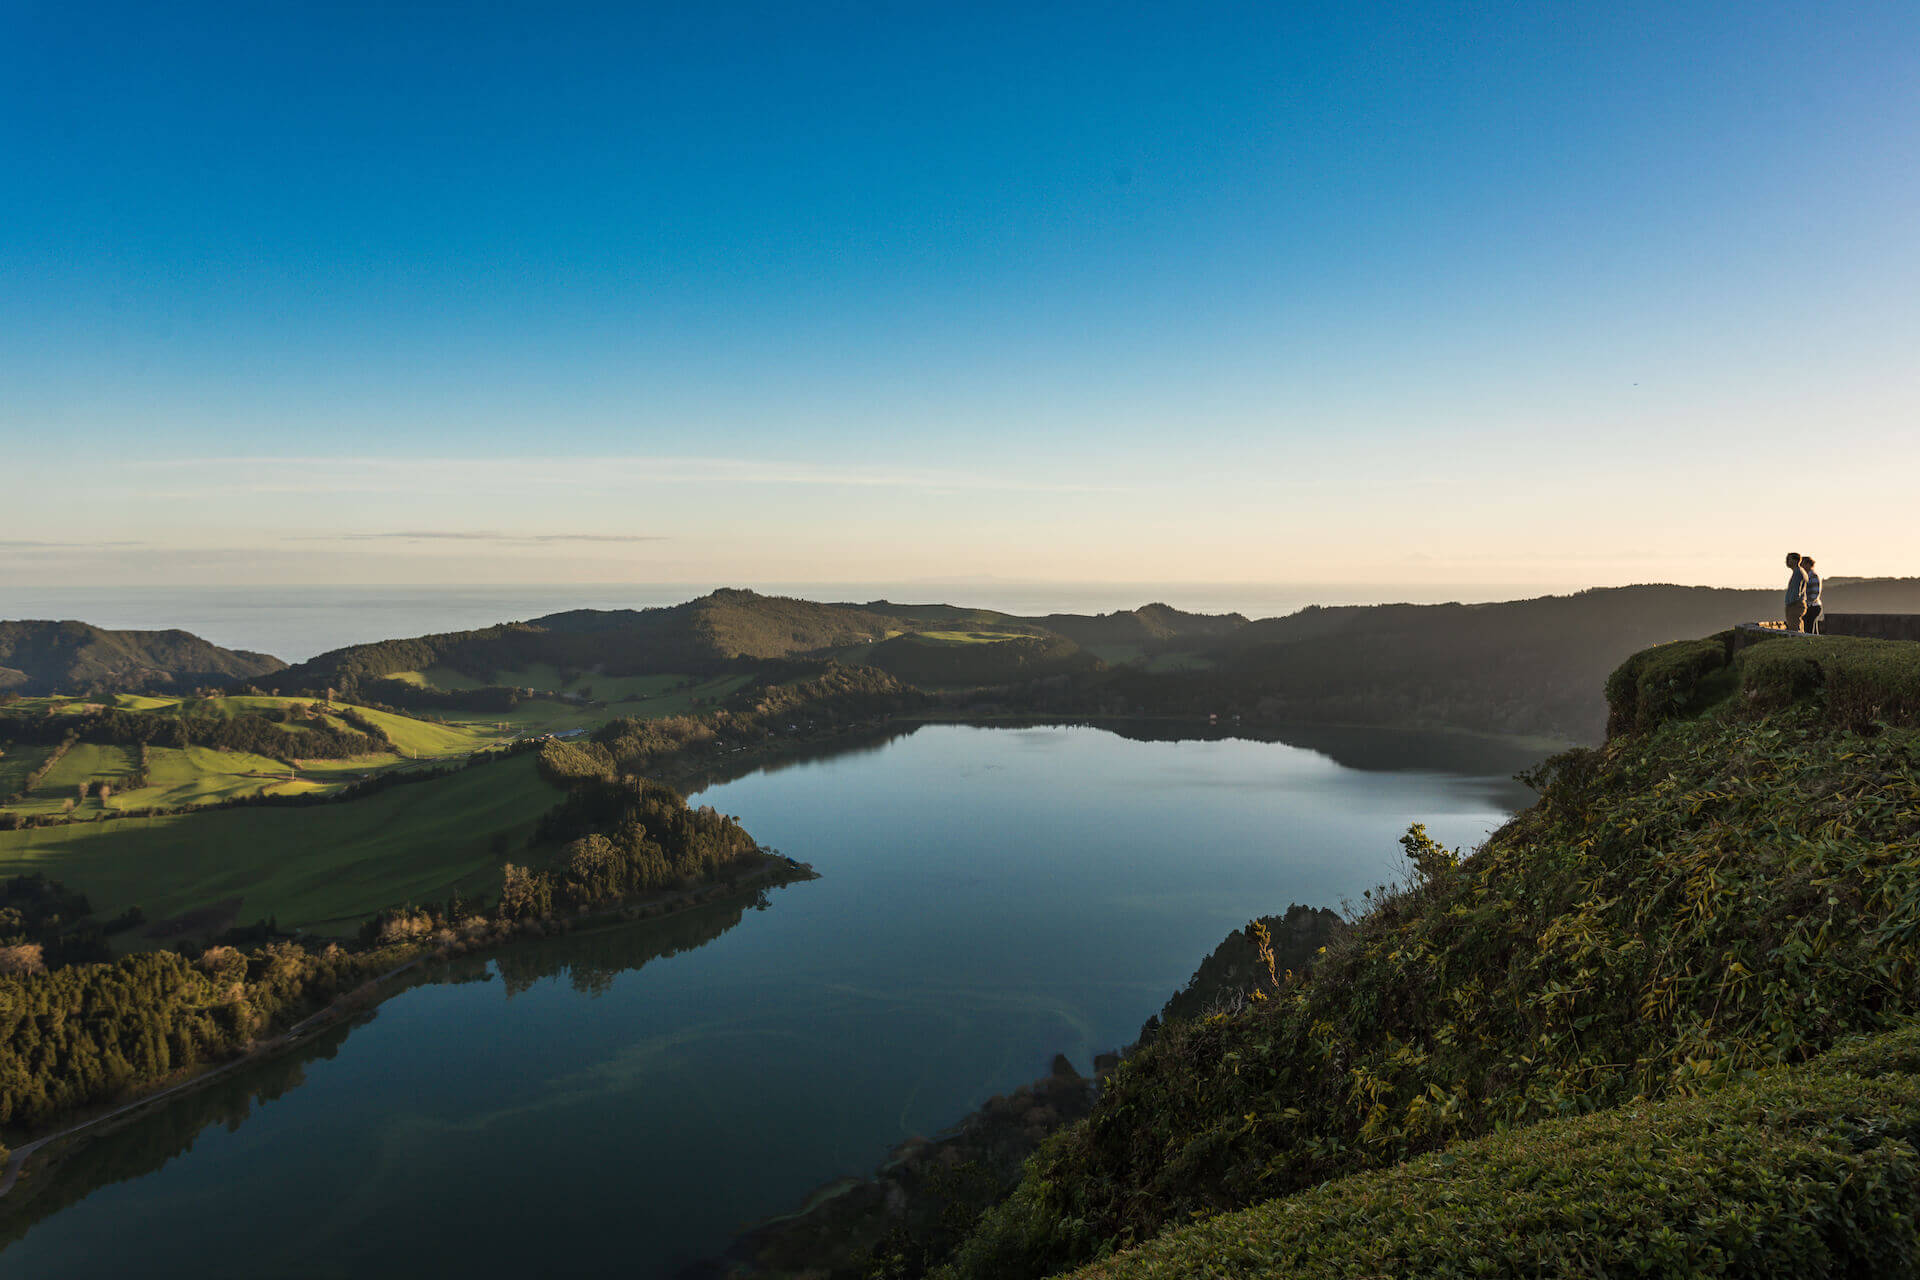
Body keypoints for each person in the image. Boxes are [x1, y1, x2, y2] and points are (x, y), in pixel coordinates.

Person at [1784, 552, 1806, 632]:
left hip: (1794, 605)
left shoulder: (1797, 573)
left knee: (1793, 629)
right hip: (1797, 604)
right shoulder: (1800, 571)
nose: (1786, 561)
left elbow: (1796, 590)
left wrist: (1790, 603)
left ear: (1795, 560)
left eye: (1788, 559)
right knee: (1795, 627)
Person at [1802, 557, 1823, 633]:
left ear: (1808, 564)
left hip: (1812, 606)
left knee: (1809, 628)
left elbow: (1815, 593)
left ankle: (1810, 643)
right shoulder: (1807, 576)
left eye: (1802, 564)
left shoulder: (1813, 576)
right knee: (1811, 628)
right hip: (1811, 606)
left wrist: (1806, 604)